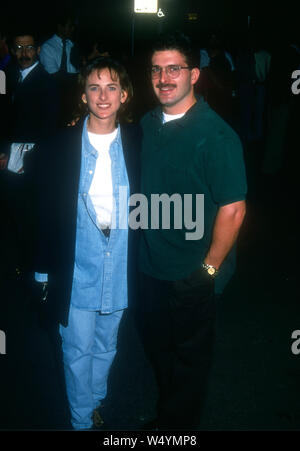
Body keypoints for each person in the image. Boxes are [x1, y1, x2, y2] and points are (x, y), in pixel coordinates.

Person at [136, 31, 247, 430]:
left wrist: (209, 271)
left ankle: (175, 431)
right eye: (156, 70)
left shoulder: (216, 135)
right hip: (149, 267)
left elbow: (233, 210)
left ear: (194, 75)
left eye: (174, 69)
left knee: (188, 365)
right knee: (159, 350)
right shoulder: (147, 124)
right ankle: (169, 412)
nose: (164, 78)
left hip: (191, 274)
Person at [33, 56, 141, 430]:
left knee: (107, 344)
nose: (103, 95)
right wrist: (42, 270)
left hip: (120, 264)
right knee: (77, 348)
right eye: (94, 87)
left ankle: (94, 402)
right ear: (83, 95)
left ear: (124, 94)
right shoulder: (60, 145)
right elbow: (43, 212)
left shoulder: (138, 141)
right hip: (77, 266)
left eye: (112, 86)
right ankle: (81, 420)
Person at [0, 30, 59, 276]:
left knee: (29, 214)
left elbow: (49, 128)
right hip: (8, 154)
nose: (24, 54)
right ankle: (20, 262)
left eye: (29, 48)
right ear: (12, 51)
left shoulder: (48, 83)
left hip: (33, 158)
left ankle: (33, 268)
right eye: (19, 48)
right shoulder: (6, 76)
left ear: (37, 50)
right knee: (12, 211)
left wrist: (33, 160)